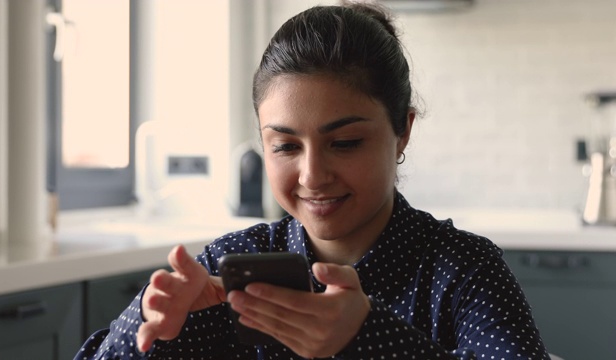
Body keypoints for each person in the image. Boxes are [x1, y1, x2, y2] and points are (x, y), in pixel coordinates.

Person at [75, 3, 549, 359]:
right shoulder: (227, 266)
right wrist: (152, 328)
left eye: (344, 143)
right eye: (285, 146)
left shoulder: (466, 272)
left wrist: (368, 337)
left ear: (402, 129)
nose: (312, 175)